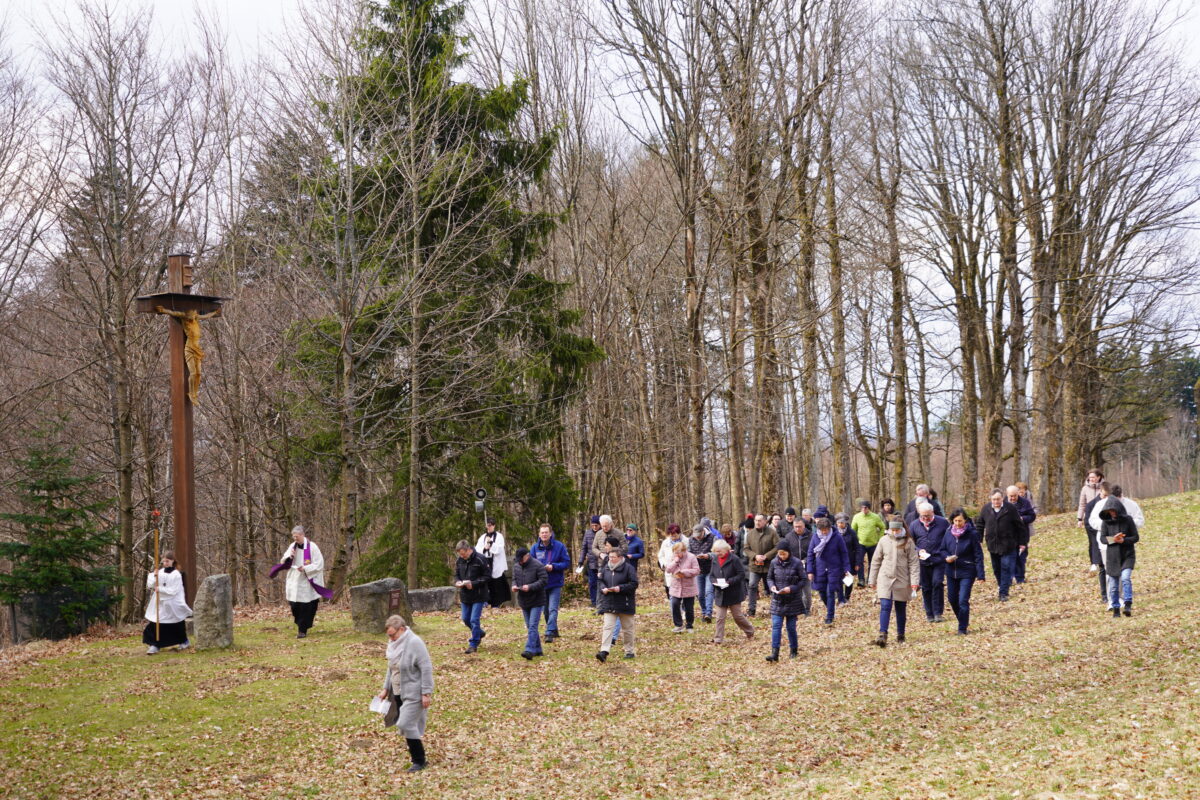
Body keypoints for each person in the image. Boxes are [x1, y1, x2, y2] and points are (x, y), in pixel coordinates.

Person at [379, 615, 434, 772]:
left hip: (414, 692)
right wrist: (386, 688)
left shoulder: (414, 643)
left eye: (392, 634)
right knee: (405, 725)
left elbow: (426, 668)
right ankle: (416, 755)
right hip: (398, 692)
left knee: (405, 724)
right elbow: (392, 668)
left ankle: (420, 760)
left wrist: (426, 693)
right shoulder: (394, 645)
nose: (390, 638)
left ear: (401, 629)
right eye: (388, 635)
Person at [868, 519, 921, 646]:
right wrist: (872, 579)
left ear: (902, 529)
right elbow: (876, 560)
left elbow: (914, 563)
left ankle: (901, 634)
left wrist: (915, 582)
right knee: (885, 606)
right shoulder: (884, 540)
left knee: (900, 608)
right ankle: (882, 634)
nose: (895, 532)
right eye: (893, 530)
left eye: (897, 530)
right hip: (885, 578)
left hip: (902, 578)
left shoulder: (908, 542)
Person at [975, 490, 1028, 601]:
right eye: (994, 499)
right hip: (993, 545)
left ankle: (1003, 593)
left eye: (998, 499)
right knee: (996, 569)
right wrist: (978, 539)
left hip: (1008, 544)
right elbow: (980, 524)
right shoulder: (986, 509)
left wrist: (1022, 543)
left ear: (1002, 498)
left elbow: (1019, 526)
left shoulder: (1010, 509)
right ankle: (1002, 586)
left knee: (1006, 568)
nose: (996, 502)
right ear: (991, 499)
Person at [940, 509, 985, 635]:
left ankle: (962, 628)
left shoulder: (972, 534)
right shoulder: (948, 532)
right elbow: (942, 549)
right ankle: (962, 619)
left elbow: (978, 554)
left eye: (960, 521)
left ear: (965, 520)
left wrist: (981, 574)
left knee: (963, 600)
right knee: (952, 599)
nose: (958, 523)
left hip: (967, 570)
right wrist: (946, 557)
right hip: (951, 571)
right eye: (955, 521)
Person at [596, 536, 638, 661]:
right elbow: (600, 580)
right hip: (609, 602)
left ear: (620, 558)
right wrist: (603, 588)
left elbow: (634, 584)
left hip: (625, 602)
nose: (611, 559)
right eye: (610, 557)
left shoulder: (629, 568)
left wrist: (620, 588)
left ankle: (629, 651)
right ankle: (604, 651)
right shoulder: (606, 567)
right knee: (608, 627)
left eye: (613, 557)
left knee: (627, 629)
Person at [280, 525, 326, 639]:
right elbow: (283, 561)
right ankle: (300, 624)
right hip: (295, 579)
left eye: (297, 537)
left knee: (306, 606)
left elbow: (319, 564)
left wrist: (305, 568)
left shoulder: (312, 547)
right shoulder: (293, 546)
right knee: (294, 605)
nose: (295, 539)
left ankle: (302, 630)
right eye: (293, 537)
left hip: (308, 580)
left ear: (302, 535)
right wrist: (289, 557)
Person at [143, 550, 191, 654]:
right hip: (160, 604)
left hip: (172, 604)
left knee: (175, 623)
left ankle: (184, 641)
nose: (165, 563)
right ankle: (155, 644)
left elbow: (173, 590)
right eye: (164, 561)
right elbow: (151, 584)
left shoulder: (176, 575)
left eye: (167, 561)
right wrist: (154, 576)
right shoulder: (160, 572)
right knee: (156, 623)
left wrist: (160, 589)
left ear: (173, 561)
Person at [1097, 496, 1139, 617]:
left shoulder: (1128, 520)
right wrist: (1113, 539)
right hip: (1113, 557)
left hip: (1127, 555)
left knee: (1125, 578)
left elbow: (1135, 537)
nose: (1112, 513)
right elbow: (1102, 539)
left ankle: (1127, 604)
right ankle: (1115, 608)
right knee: (1114, 586)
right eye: (1110, 511)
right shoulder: (1105, 523)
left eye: (1114, 511)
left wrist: (1123, 540)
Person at [909, 503, 950, 623]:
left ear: (932, 513)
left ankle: (938, 612)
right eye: (923, 516)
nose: (925, 518)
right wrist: (917, 550)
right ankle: (929, 613)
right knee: (926, 587)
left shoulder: (942, 522)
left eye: (927, 515)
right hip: (922, 561)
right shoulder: (914, 524)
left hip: (938, 559)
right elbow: (911, 542)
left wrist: (944, 552)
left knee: (937, 583)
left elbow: (948, 538)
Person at [765, 540, 805, 661]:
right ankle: (774, 653)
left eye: (784, 554)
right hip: (778, 599)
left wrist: (791, 588)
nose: (781, 556)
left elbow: (803, 580)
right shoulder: (774, 562)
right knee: (776, 626)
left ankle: (794, 649)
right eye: (779, 554)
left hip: (792, 600)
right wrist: (772, 586)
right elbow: (769, 577)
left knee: (791, 627)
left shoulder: (797, 563)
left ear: (788, 553)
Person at [709, 539, 755, 644]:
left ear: (725, 550)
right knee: (720, 617)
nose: (717, 553)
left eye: (719, 551)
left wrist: (729, 582)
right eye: (715, 551)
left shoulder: (734, 559)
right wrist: (714, 582)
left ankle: (750, 630)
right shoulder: (715, 559)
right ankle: (718, 639)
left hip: (733, 592)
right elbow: (711, 575)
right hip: (720, 592)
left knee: (737, 616)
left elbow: (741, 574)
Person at [530, 523, 571, 642]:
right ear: (539, 534)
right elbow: (531, 564)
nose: (544, 534)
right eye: (542, 532)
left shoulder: (559, 546)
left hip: (555, 582)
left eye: (546, 532)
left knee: (553, 608)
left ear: (550, 533)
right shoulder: (534, 548)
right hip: (541, 584)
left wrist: (553, 567)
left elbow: (566, 563)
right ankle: (554, 629)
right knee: (546, 611)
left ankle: (549, 633)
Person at [807, 517, 850, 627]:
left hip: (834, 569)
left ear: (830, 528)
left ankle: (830, 616)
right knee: (822, 593)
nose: (825, 532)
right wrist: (810, 571)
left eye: (826, 529)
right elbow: (810, 554)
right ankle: (830, 607)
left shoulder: (837, 537)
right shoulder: (815, 537)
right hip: (819, 569)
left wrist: (846, 569)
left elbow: (844, 553)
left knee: (830, 592)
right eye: (822, 530)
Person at [453, 540, 490, 653]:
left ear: (469, 550)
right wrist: (458, 582)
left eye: (463, 554)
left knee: (474, 619)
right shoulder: (459, 560)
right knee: (465, 618)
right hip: (465, 595)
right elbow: (456, 575)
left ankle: (473, 644)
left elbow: (487, 576)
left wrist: (473, 584)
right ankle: (479, 633)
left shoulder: (480, 559)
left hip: (478, 595)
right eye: (460, 554)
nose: (462, 556)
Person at [510, 546, 547, 659]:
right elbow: (514, 579)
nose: (520, 561)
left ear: (527, 556)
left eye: (522, 559)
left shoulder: (537, 565)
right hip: (524, 600)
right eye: (518, 559)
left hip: (537, 600)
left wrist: (530, 587)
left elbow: (544, 580)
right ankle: (538, 649)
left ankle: (529, 649)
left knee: (532, 626)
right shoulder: (516, 566)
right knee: (530, 626)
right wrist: (514, 586)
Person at [744, 514, 778, 617]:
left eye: (759, 520)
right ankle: (751, 609)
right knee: (752, 586)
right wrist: (755, 556)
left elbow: (777, 547)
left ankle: (774, 609)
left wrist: (767, 556)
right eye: (756, 520)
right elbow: (746, 549)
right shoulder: (750, 534)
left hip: (769, 565)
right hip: (755, 566)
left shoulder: (772, 533)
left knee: (771, 588)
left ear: (765, 521)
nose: (757, 522)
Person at [664, 541, 700, 633]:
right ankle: (678, 624)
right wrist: (675, 561)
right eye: (675, 552)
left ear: (684, 551)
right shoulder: (673, 557)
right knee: (675, 604)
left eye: (678, 552)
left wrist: (684, 572)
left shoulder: (691, 557)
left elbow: (696, 570)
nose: (677, 554)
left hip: (689, 586)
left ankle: (689, 625)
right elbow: (668, 569)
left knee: (689, 607)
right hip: (676, 586)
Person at [476, 518, 510, 608]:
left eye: (491, 525)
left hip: (495, 563)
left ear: (494, 526)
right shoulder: (482, 537)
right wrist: (484, 548)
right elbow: (478, 549)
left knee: (497, 584)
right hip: (486, 562)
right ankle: (486, 602)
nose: (489, 527)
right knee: (486, 583)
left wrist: (491, 543)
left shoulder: (499, 536)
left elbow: (499, 549)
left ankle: (497, 603)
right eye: (488, 525)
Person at [1007, 485, 1037, 585]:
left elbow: (1032, 516)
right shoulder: (1003, 503)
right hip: (1008, 536)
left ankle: (1020, 578)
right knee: (1009, 558)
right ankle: (1009, 579)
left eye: (1014, 496)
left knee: (1021, 557)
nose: (1012, 498)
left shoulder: (1025, 503)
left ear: (1018, 494)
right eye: (1010, 496)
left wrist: (1022, 519)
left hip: (1022, 534)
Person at [851, 500, 885, 588]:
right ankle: (861, 580)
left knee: (872, 562)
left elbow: (882, 527)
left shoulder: (875, 517)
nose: (864, 509)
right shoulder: (857, 517)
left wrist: (880, 539)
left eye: (865, 508)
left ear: (869, 508)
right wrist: (854, 541)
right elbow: (853, 530)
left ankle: (870, 579)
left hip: (873, 543)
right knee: (859, 562)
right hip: (860, 544)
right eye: (862, 508)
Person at [687, 522, 716, 622]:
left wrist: (708, 555)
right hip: (697, 570)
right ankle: (704, 612)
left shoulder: (712, 537)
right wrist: (693, 558)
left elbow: (717, 552)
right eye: (696, 536)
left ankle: (708, 613)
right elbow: (688, 553)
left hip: (710, 569)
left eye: (699, 535)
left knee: (708, 591)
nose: (698, 538)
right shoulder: (690, 540)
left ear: (703, 532)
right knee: (699, 594)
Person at [1077, 469, 1105, 571]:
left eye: (1093, 477)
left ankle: (1103, 560)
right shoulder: (1085, 489)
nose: (1091, 479)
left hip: (1102, 516)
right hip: (1089, 517)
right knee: (1092, 540)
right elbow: (1082, 504)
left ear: (1099, 477)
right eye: (1090, 477)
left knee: (1102, 539)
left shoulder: (1104, 487)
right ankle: (1094, 562)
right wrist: (1080, 518)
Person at [834, 513, 861, 602]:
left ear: (846, 523)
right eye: (838, 523)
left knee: (848, 580)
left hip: (850, 560)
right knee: (838, 580)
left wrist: (857, 562)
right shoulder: (834, 532)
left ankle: (847, 597)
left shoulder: (851, 532)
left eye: (842, 523)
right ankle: (840, 597)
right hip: (836, 561)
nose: (840, 525)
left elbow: (857, 548)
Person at [659, 524, 690, 600]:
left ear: (679, 533)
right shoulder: (665, 542)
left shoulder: (686, 541)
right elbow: (660, 555)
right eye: (671, 535)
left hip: (682, 569)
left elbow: (689, 555)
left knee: (683, 589)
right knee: (670, 589)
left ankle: (683, 608)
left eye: (674, 535)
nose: (672, 537)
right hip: (669, 568)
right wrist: (664, 564)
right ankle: (674, 609)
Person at [581, 515, 603, 607]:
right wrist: (581, 560)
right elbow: (584, 548)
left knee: (601, 583)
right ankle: (594, 602)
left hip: (602, 562)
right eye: (593, 525)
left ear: (600, 525)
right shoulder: (588, 533)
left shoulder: (603, 533)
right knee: (592, 583)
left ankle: (601, 602)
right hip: (591, 562)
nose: (594, 527)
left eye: (596, 525)